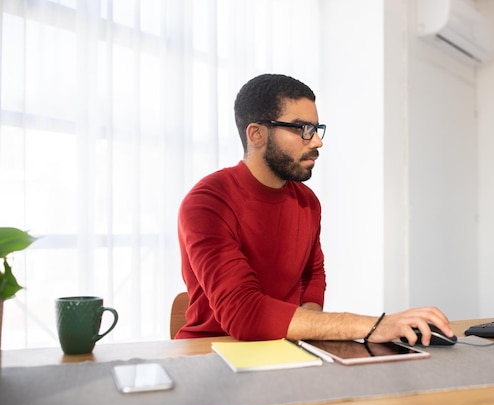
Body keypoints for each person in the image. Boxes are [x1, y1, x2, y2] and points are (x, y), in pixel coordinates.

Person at [176, 73, 454, 345]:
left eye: (316, 129)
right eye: (302, 129)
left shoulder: (306, 201)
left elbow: (312, 273)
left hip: (282, 348)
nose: (317, 141)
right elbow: (245, 313)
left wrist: (307, 328)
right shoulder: (207, 202)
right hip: (213, 352)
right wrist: (374, 325)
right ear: (257, 134)